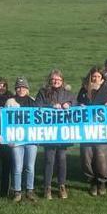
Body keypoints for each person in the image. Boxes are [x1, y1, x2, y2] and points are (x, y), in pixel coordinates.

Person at [35, 69, 76, 200]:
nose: (56, 81)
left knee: (62, 160)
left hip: (63, 133)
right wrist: (51, 106)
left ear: (62, 81)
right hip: (48, 132)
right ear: (49, 80)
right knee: (49, 160)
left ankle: (61, 186)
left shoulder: (68, 93)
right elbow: (37, 106)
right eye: (53, 79)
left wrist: (69, 104)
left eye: (58, 79)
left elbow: (75, 103)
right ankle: (47, 187)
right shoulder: (43, 92)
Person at [77, 66, 107, 196]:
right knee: (86, 155)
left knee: (102, 156)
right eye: (94, 76)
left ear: (102, 78)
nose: (96, 78)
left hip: (102, 130)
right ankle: (92, 180)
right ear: (90, 77)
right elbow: (76, 104)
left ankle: (102, 181)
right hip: (86, 129)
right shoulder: (84, 89)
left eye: (99, 76)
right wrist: (80, 106)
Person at [5, 77, 38, 202]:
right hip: (16, 140)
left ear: (27, 89)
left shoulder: (33, 101)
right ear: (15, 89)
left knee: (30, 166)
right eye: (18, 87)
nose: (21, 89)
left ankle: (30, 190)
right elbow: (5, 120)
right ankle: (17, 191)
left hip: (31, 139)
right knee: (18, 167)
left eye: (23, 87)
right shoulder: (10, 102)